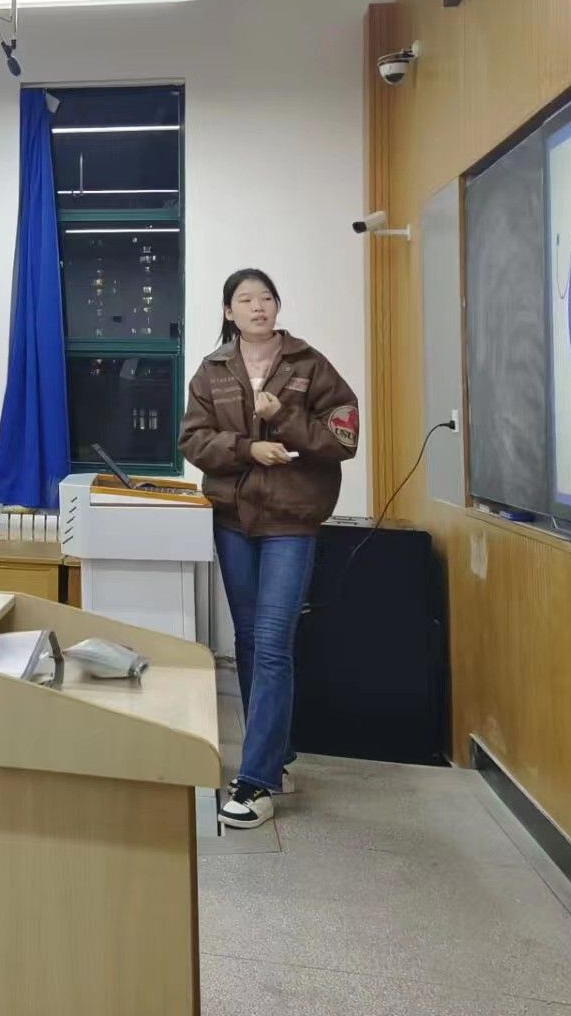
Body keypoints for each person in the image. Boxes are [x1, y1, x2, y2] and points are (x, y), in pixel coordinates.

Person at [178, 269, 359, 831]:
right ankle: (274, 757)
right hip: (233, 520)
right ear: (228, 312)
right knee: (251, 642)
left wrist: (286, 419)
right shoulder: (212, 370)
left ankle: (255, 781)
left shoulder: (310, 364)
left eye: (266, 298)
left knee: (274, 643)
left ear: (277, 306)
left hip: (291, 521)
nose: (258, 307)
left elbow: (343, 440)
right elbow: (192, 440)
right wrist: (247, 448)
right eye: (245, 299)